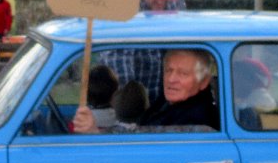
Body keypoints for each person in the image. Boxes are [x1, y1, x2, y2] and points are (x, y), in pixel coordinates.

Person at [74, 49, 218, 133]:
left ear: (204, 82)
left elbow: (140, 147)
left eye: (183, 73)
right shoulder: (171, 102)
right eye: (168, 70)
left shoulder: (194, 119)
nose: (171, 79)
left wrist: (94, 132)